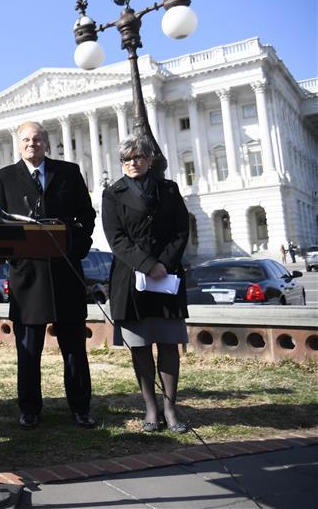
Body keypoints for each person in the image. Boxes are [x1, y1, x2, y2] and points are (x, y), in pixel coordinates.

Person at [0, 121, 97, 431]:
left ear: (46, 144)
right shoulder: (4, 178)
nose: (31, 144)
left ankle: (80, 407)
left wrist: (76, 247)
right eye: (25, 139)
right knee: (28, 348)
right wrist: (14, 255)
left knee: (74, 347)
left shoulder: (69, 173)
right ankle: (29, 409)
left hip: (65, 272)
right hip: (27, 276)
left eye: (37, 139)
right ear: (18, 144)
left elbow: (86, 216)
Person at [102, 134, 190, 434]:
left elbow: (181, 229)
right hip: (131, 279)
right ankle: (151, 408)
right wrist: (147, 264)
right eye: (126, 160)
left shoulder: (168, 188)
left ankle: (171, 407)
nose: (132, 163)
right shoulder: (113, 193)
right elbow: (116, 238)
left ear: (149, 159)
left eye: (137, 157)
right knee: (139, 347)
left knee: (168, 345)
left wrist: (162, 263)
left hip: (167, 277)